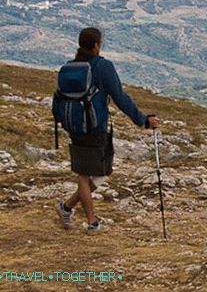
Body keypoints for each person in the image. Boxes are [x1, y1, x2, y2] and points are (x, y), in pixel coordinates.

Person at [55, 27, 160, 234]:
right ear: (96, 45)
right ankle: (92, 222)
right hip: (95, 128)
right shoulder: (103, 67)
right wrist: (143, 121)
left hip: (74, 127)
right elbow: (120, 98)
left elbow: (58, 99)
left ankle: (66, 207)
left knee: (95, 174)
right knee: (88, 175)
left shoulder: (69, 67)